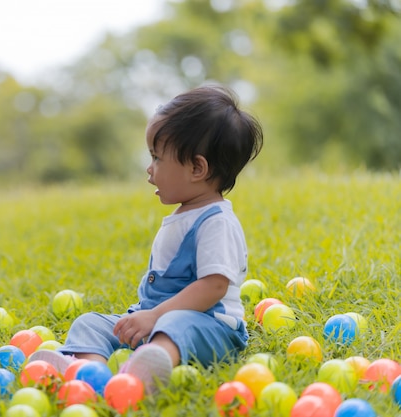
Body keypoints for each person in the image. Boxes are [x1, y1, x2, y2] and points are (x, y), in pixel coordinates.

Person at [32, 85, 263, 394]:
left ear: (197, 167)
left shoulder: (216, 222)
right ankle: (87, 372)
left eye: (157, 158)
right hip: (155, 320)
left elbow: (214, 286)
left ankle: (145, 373)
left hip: (211, 328)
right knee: (91, 322)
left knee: (176, 326)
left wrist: (156, 316)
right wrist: (147, 316)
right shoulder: (185, 214)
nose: (149, 169)